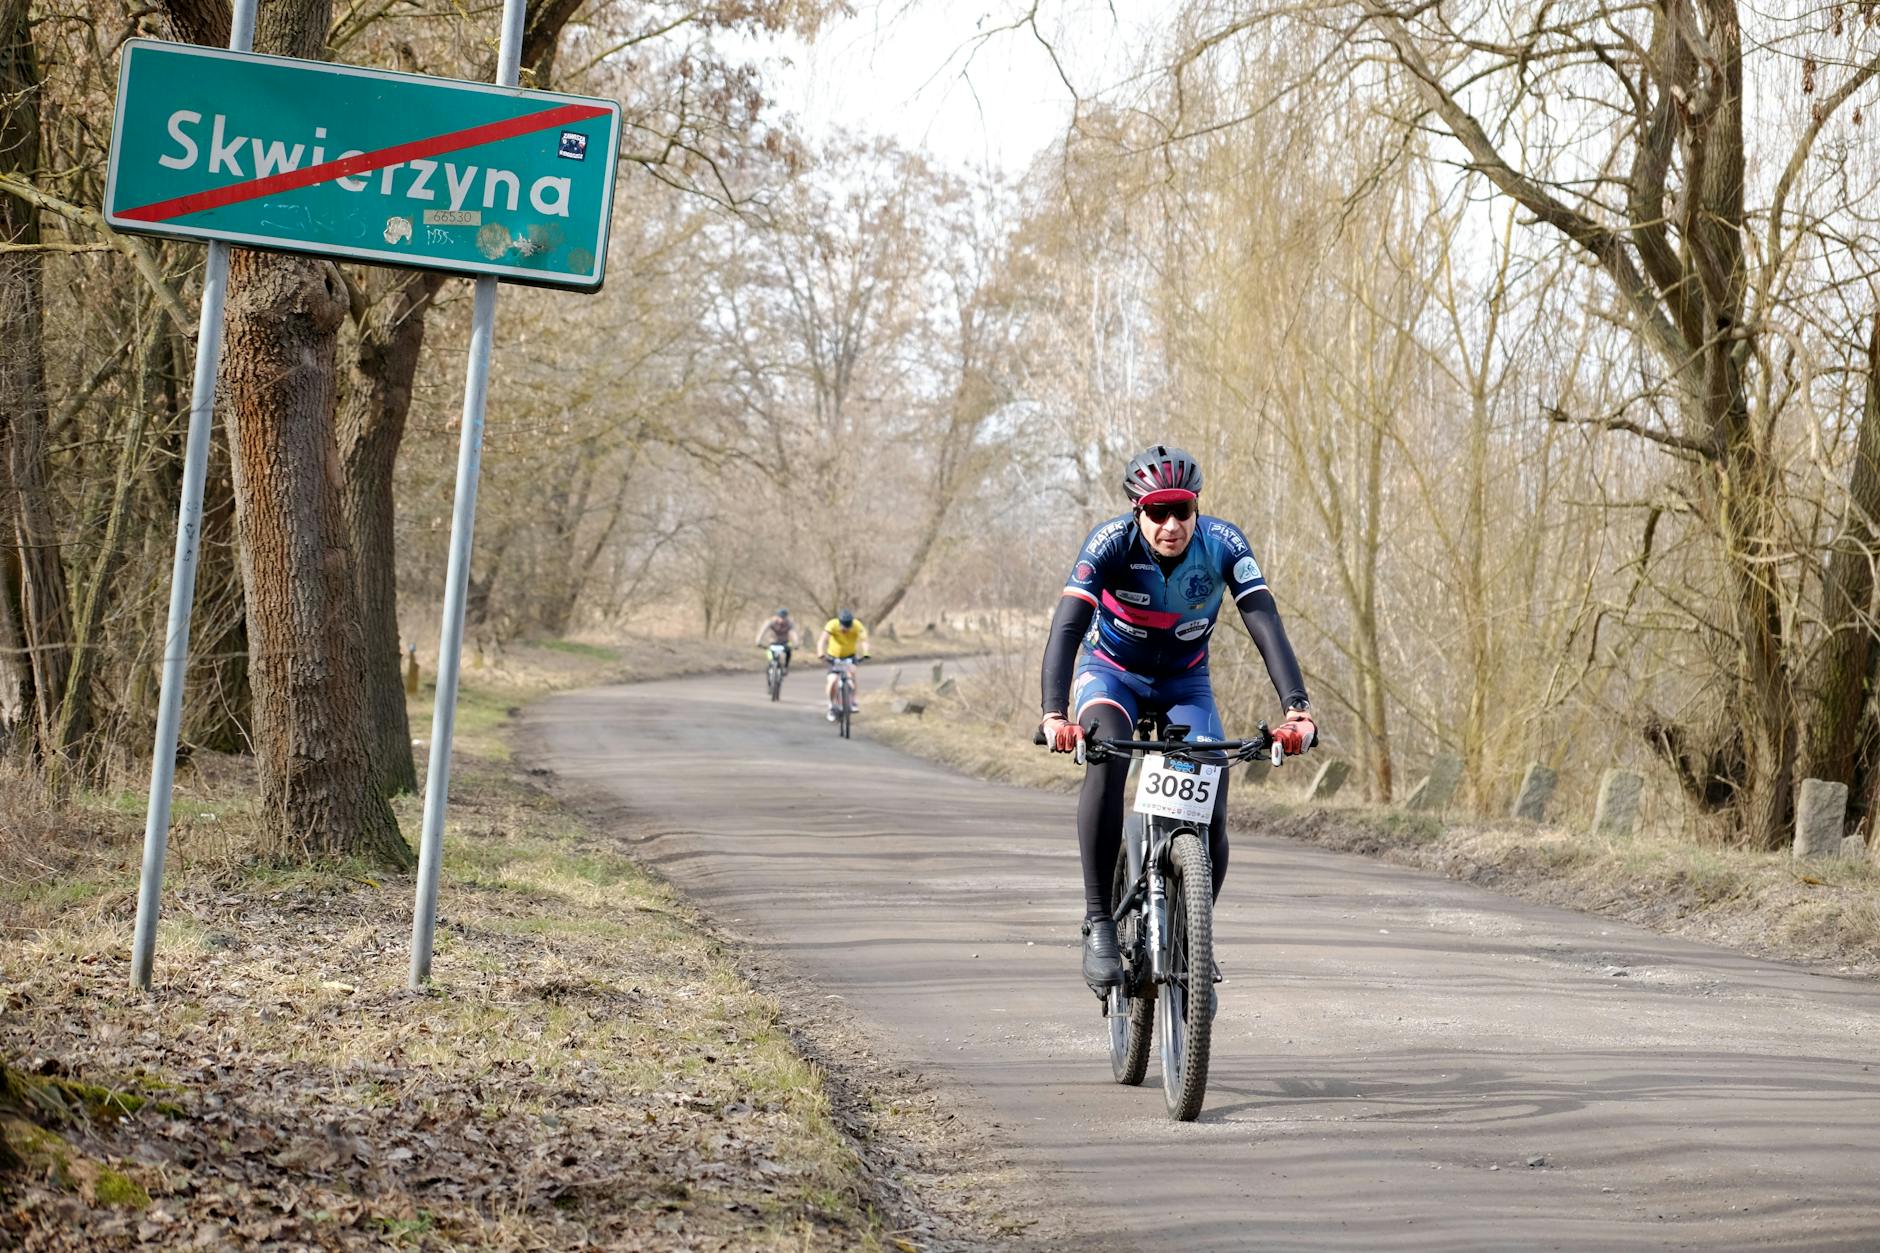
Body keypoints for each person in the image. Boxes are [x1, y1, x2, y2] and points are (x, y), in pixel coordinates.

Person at [1039, 444, 1317, 994]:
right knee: (1107, 753)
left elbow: (1264, 622)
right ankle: (1100, 923)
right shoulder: (1109, 543)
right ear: (1137, 510)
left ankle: (1192, 938)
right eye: (1157, 512)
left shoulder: (1222, 544)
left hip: (1184, 683)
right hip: (1111, 675)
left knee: (1211, 780)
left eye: (1182, 511)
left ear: (1197, 508)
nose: (1170, 525)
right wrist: (1054, 713)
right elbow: (1067, 627)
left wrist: (1297, 709)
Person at [817, 609, 870, 721]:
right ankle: (831, 706)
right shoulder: (832, 624)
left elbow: (864, 640)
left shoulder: (857, 625)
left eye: (848, 627)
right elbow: (822, 640)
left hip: (849, 656)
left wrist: (866, 653)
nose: (845, 629)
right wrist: (821, 653)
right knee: (832, 681)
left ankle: (853, 701)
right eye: (843, 627)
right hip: (833, 657)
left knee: (852, 674)